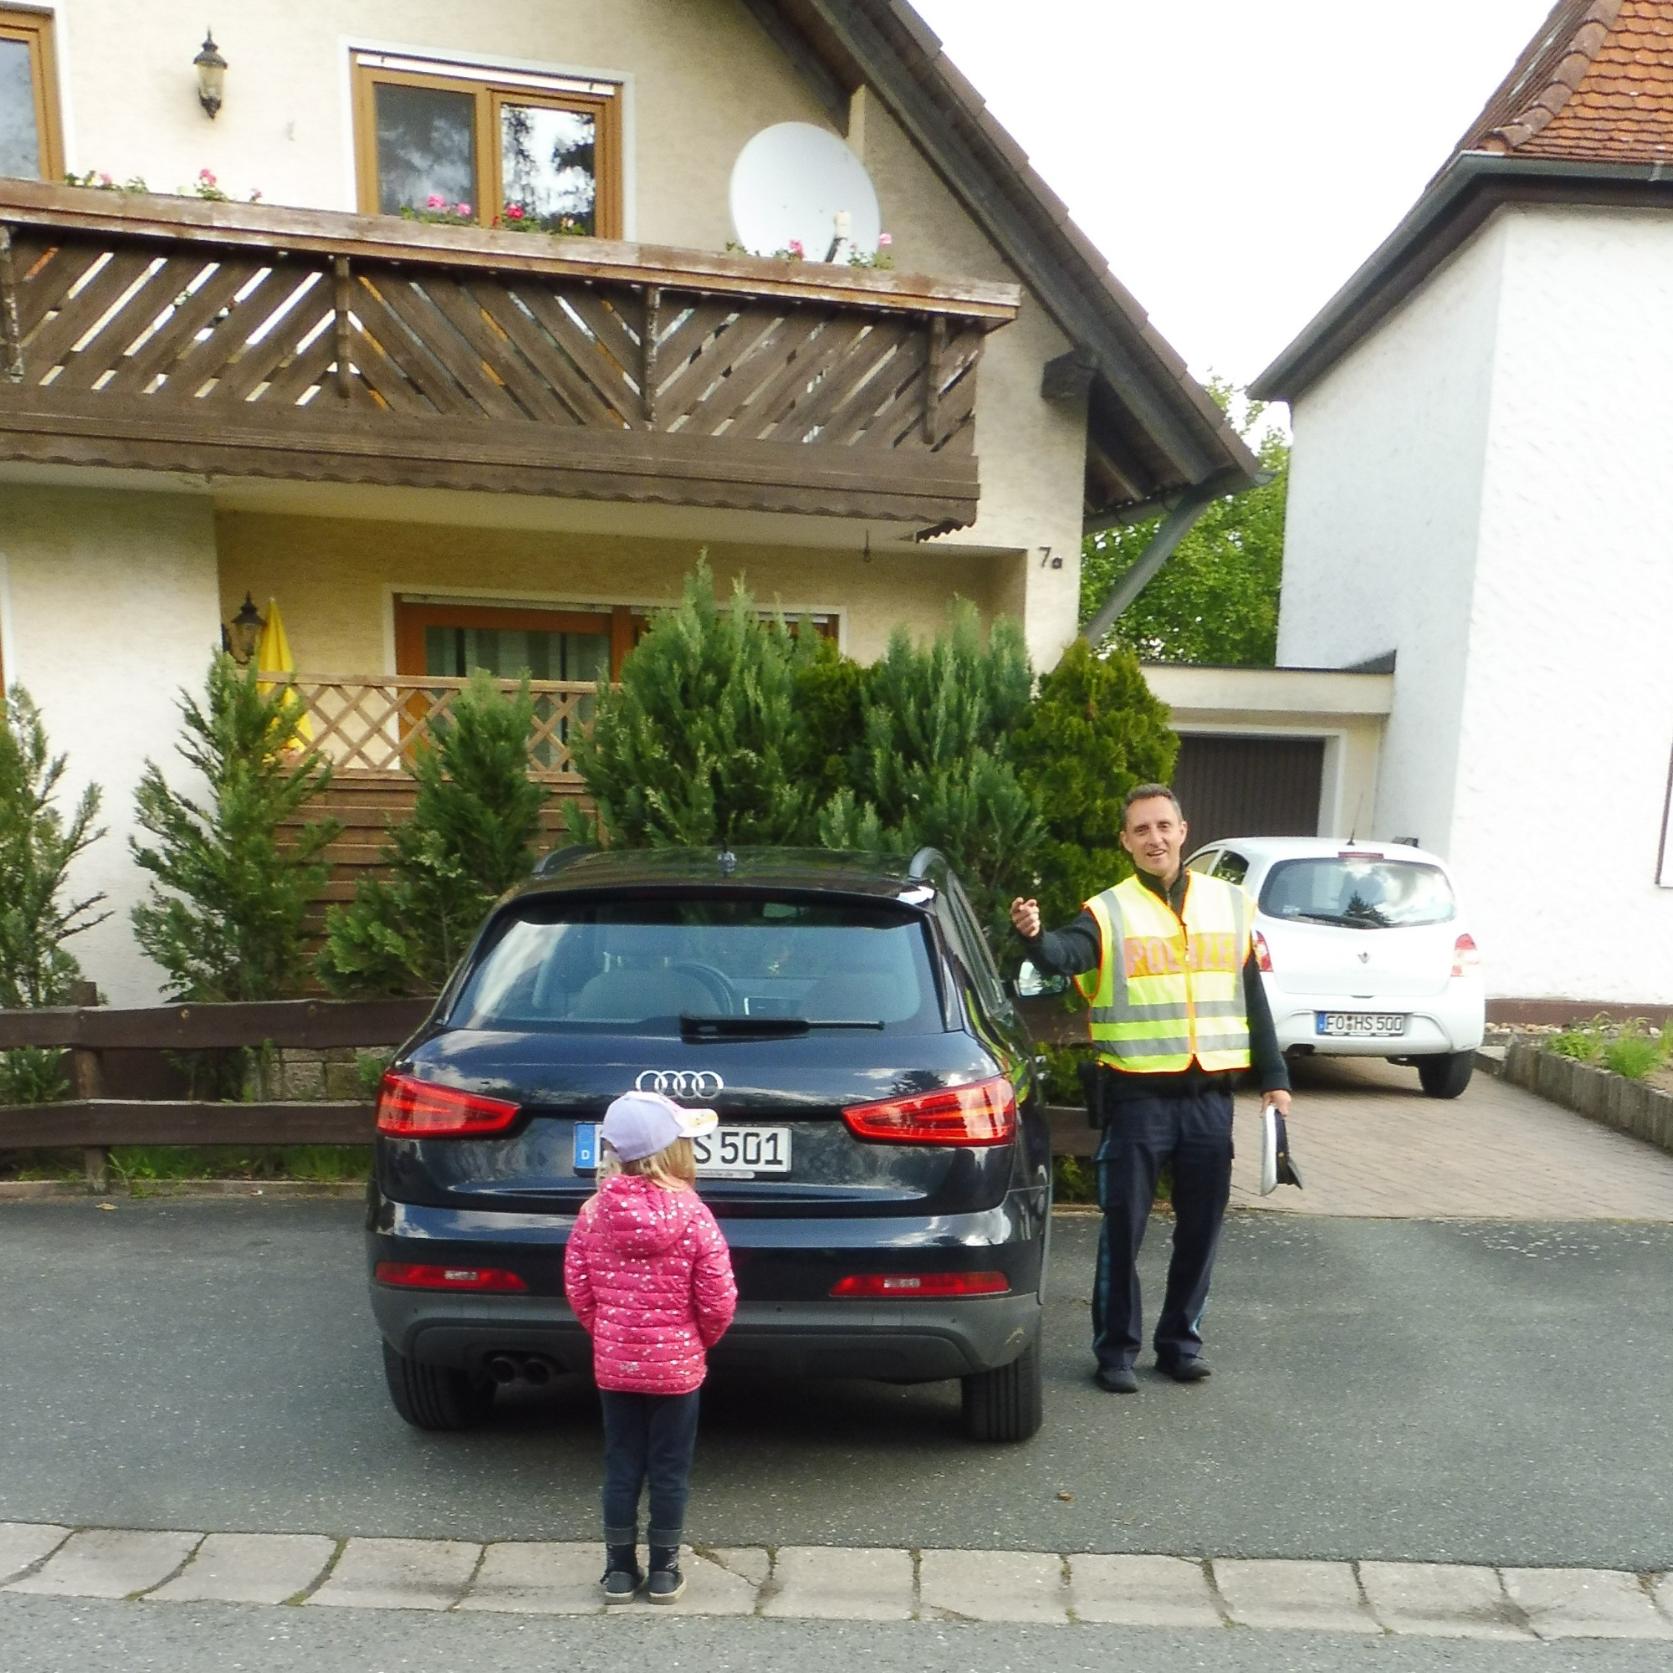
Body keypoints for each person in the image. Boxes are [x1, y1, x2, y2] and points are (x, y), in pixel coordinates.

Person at [1010, 783, 1291, 1394]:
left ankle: (1180, 1344)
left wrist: (1275, 1079)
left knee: (1201, 1230)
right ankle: (1115, 1352)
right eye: (1141, 830)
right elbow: (1063, 954)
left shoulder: (1231, 905)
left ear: (1183, 831)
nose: (1154, 838)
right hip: (1138, 1099)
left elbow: (1253, 995)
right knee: (1123, 1229)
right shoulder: (1107, 912)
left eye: (1163, 826)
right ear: (1126, 842)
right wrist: (1034, 937)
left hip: (1210, 1100)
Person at [564, 1089, 737, 1604]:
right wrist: (697, 1342)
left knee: (621, 1465)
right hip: (677, 1368)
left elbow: (579, 1287)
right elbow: (718, 1296)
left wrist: (608, 1334)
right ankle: (664, 1572)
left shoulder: (593, 1213)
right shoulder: (694, 1215)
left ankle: (618, 1571)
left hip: (615, 1365)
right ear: (674, 1153)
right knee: (669, 1469)